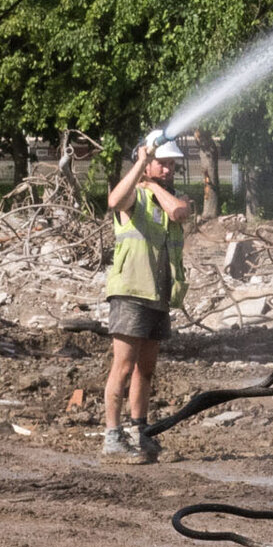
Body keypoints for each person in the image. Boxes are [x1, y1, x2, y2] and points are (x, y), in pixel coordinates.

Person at [100, 136, 196, 460]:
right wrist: (140, 166)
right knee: (123, 367)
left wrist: (154, 186)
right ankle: (112, 437)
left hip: (158, 296)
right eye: (163, 163)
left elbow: (179, 212)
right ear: (148, 161)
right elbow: (114, 201)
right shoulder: (133, 198)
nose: (168, 169)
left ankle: (139, 432)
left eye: (172, 165)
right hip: (130, 293)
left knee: (146, 369)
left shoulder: (169, 197)